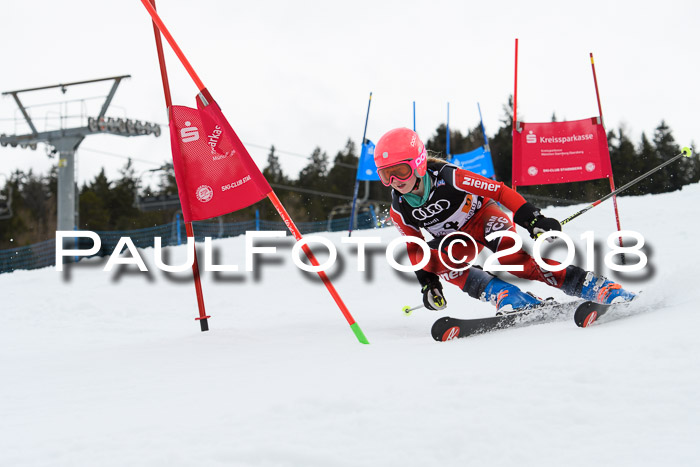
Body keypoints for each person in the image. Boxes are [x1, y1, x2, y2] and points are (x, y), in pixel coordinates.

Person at [374, 127, 636, 314]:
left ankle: (592, 285)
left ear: (419, 163)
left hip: (484, 218)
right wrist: (428, 284)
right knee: (436, 258)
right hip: (457, 239)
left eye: (400, 171)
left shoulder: (450, 176)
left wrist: (532, 218)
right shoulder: (399, 209)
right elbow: (415, 249)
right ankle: (504, 294)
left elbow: (498, 191)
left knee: (515, 261)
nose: (395, 182)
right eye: (386, 176)